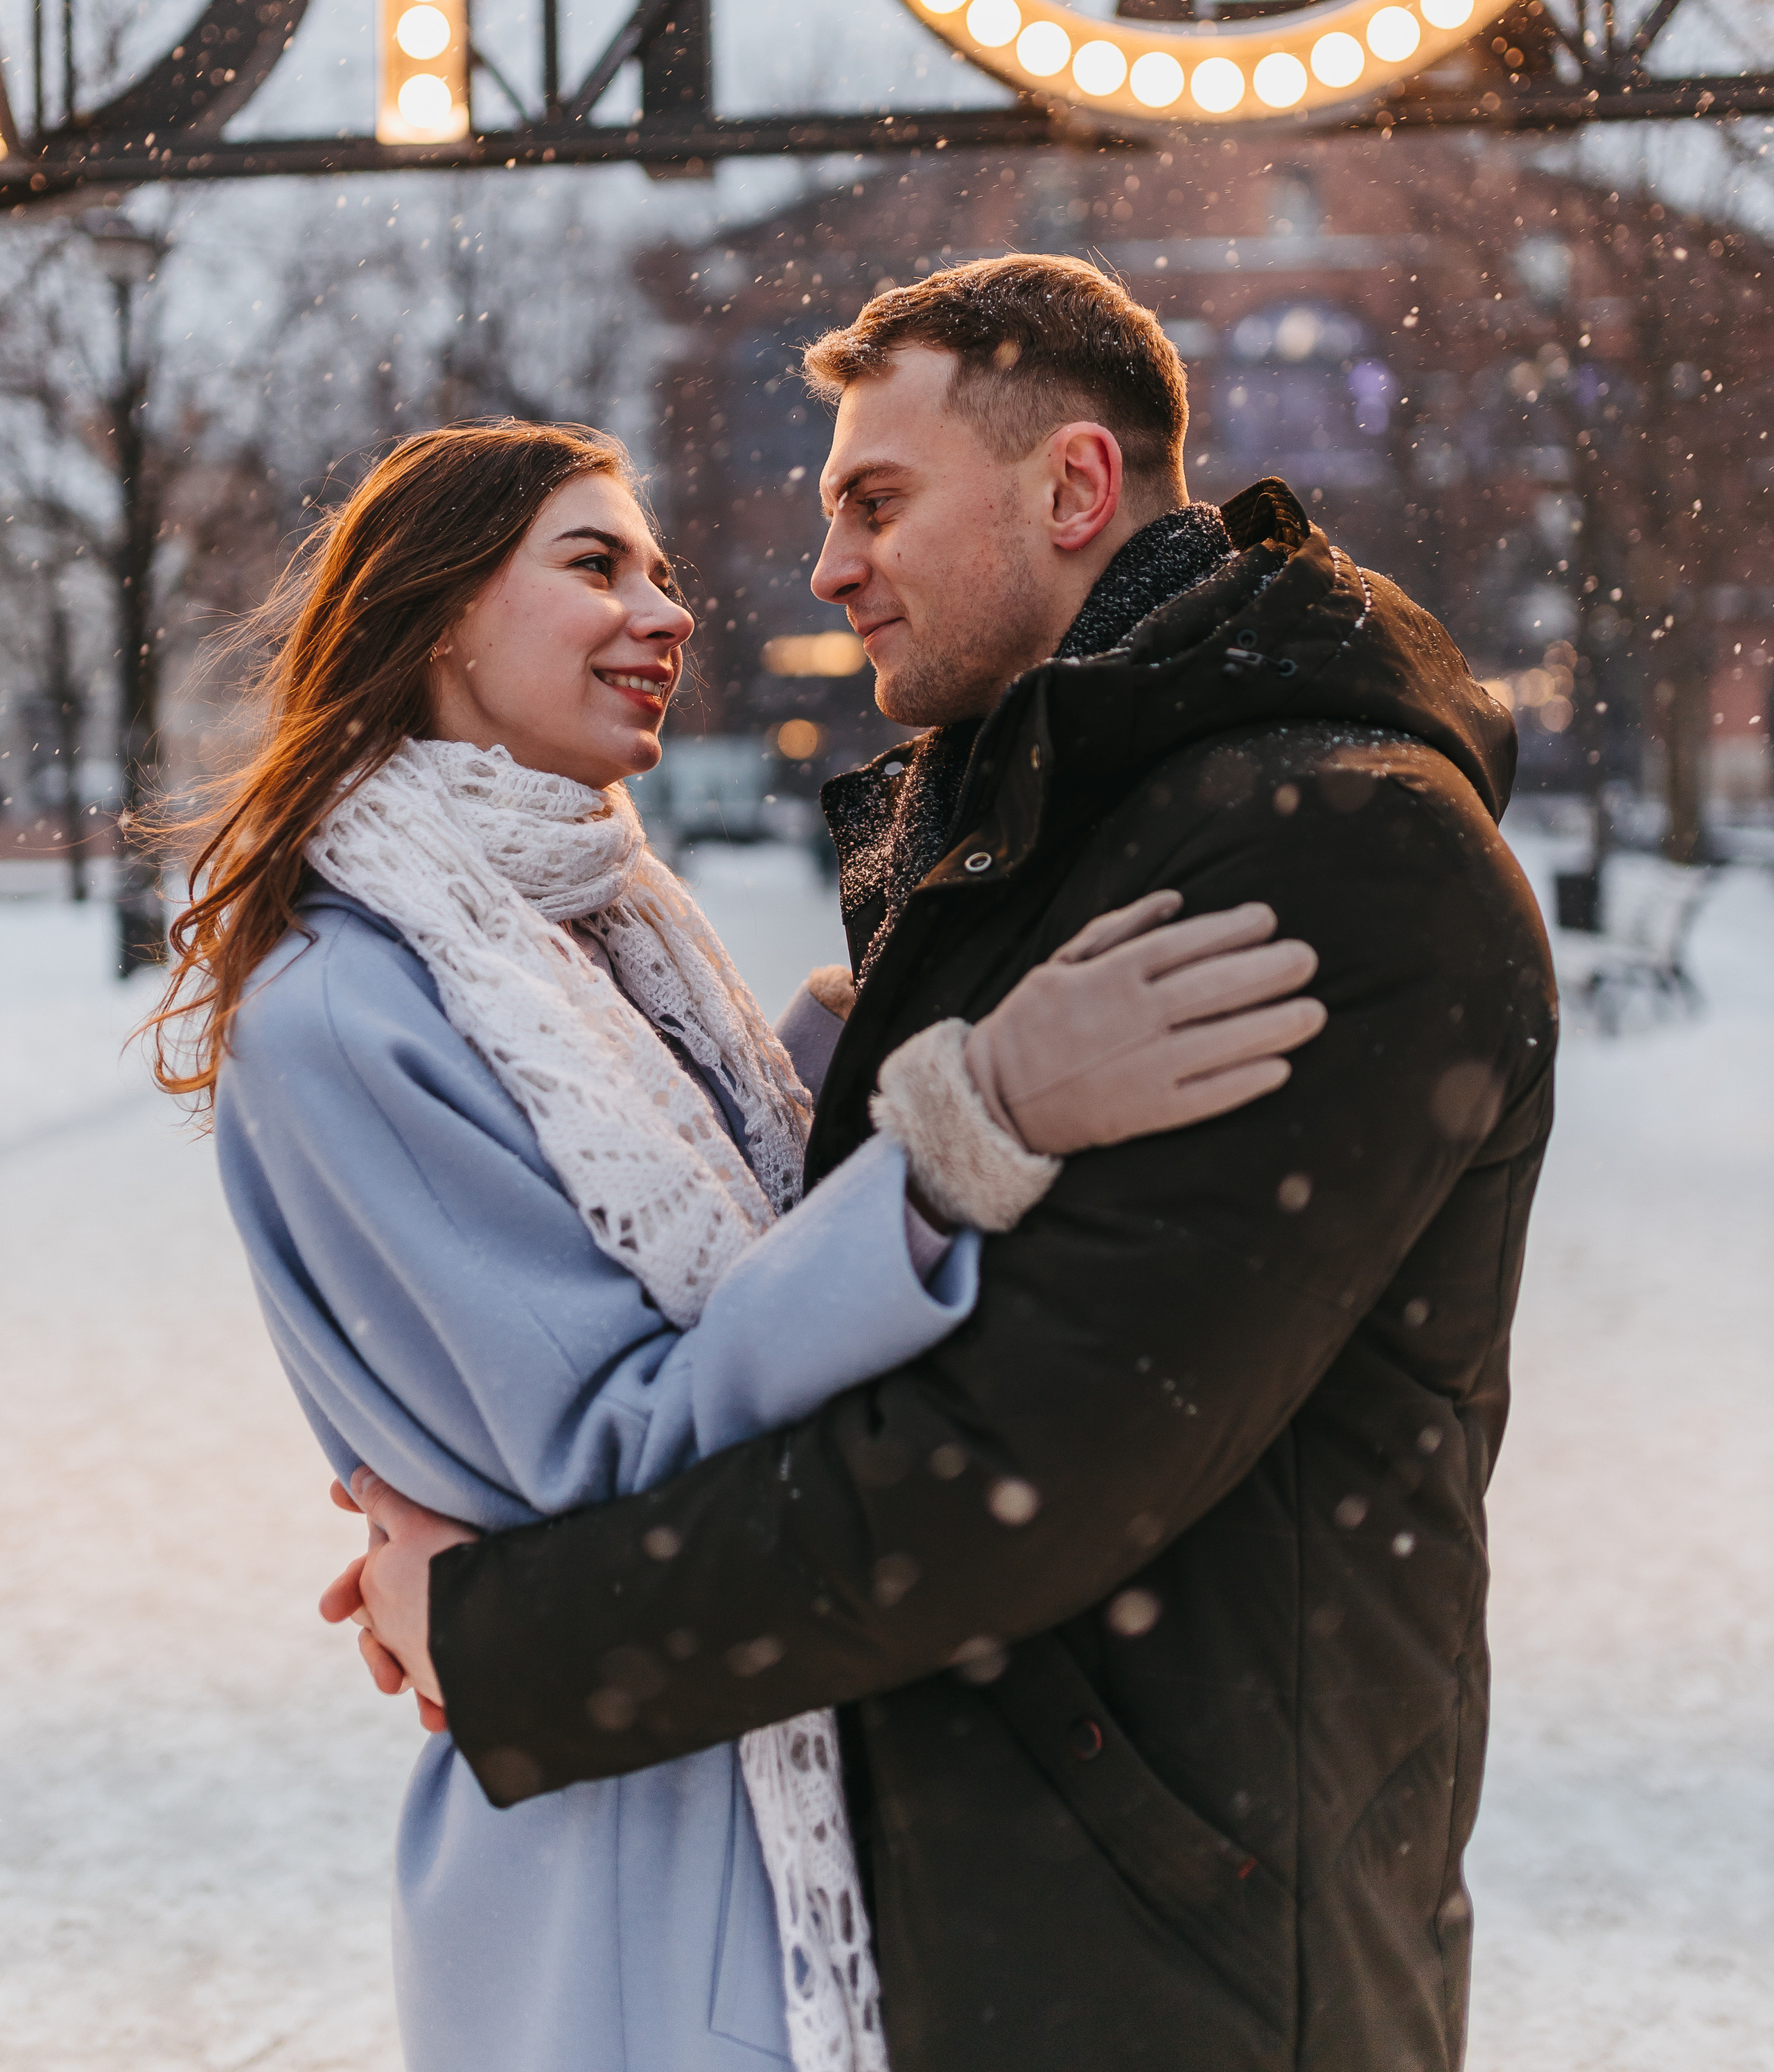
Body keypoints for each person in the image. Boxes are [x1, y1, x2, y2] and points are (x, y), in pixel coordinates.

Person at [339, 258, 1560, 2072]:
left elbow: (1004, 1468)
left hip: (1185, 1977)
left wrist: (508, 1635)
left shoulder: (1322, 851)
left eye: (877, 502)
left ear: (1076, 488)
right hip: (1018, 1926)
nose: (828, 570)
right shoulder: (1055, 826)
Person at [148, 417, 1324, 2072]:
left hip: (726, 1752)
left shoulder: (594, 925)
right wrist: (963, 1124)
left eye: (661, 568)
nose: (666, 608)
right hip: (632, 1866)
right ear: (433, 616)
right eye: (593, 563)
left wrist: (878, 1023)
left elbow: (709, 1218)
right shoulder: (348, 1008)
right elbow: (624, 1445)